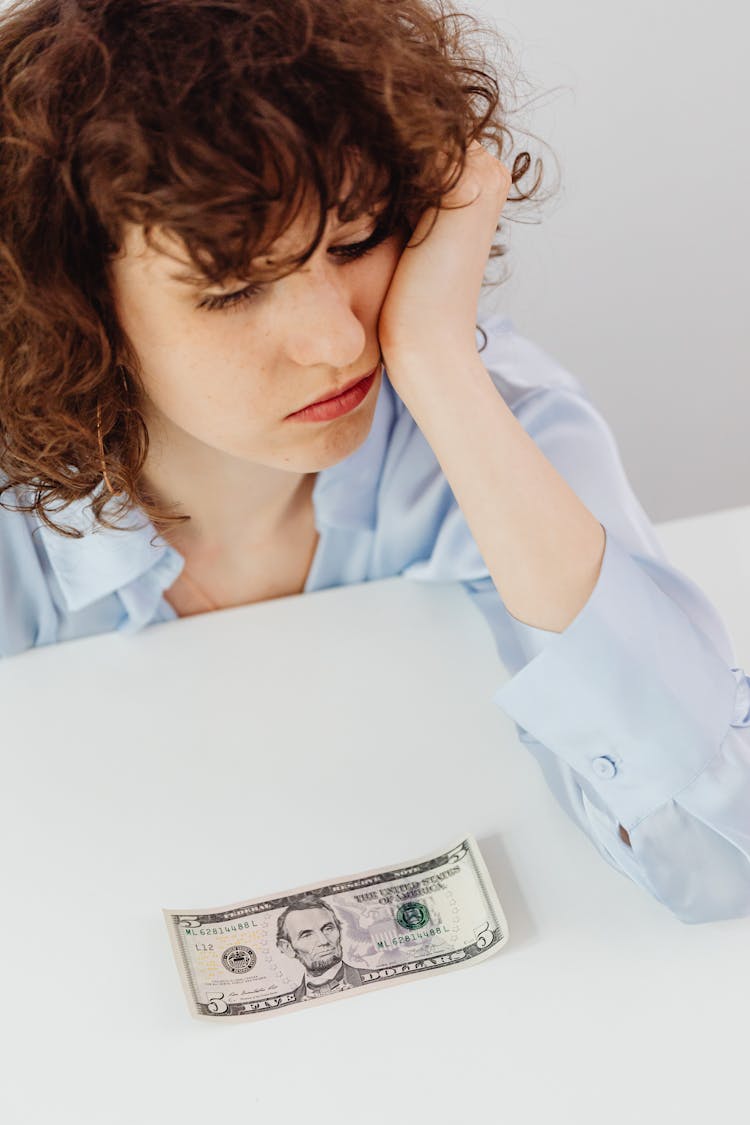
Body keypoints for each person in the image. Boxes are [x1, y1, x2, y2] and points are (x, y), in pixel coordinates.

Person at [0, 0, 747, 924]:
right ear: (78, 312)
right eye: (233, 290)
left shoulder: (485, 417)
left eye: (356, 242)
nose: (334, 338)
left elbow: (724, 851)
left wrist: (438, 361)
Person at [276, 895, 365, 1001]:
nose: (324, 941)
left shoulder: (372, 980)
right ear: (288, 948)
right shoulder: (290, 1002)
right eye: (307, 935)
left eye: (328, 929)